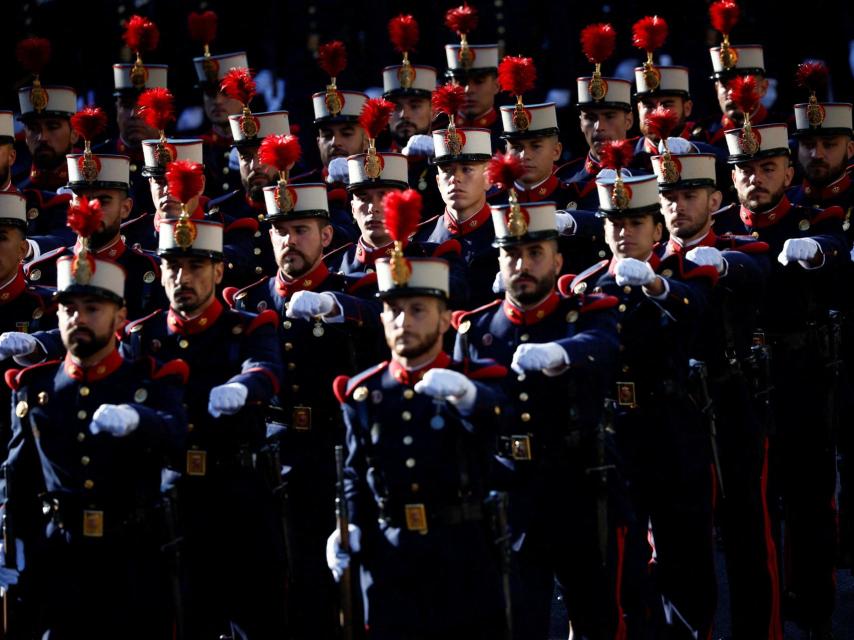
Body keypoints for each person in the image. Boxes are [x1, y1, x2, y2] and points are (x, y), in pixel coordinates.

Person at [123, 166, 287, 638]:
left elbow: (267, 369)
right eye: (174, 266)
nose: (183, 278)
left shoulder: (247, 324)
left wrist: (245, 387)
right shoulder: (145, 335)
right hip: (173, 490)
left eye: (196, 266)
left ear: (218, 270)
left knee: (254, 616)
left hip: (236, 486)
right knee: (185, 612)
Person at [452, 196, 623, 639]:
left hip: (577, 485)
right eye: (511, 254)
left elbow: (604, 347)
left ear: (558, 259)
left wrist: (562, 352)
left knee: (593, 615)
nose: (522, 265)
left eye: (534, 254)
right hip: (511, 495)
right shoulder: (478, 331)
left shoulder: (583, 314)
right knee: (518, 618)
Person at [1, 240, 187, 639]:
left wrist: (141, 419)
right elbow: (18, 477)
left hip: (131, 556)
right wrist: (9, 545)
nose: (78, 319)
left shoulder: (148, 380)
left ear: (120, 317)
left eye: (92, 309)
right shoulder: (37, 388)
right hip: (58, 558)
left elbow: (177, 440)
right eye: (69, 310)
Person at [227, 180, 381, 638]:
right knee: (269, 587)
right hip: (269, 459)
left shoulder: (353, 293)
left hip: (327, 456)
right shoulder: (251, 301)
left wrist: (342, 306)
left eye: (301, 230)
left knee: (327, 591)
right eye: (280, 231)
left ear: (326, 237)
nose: (289, 241)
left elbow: (379, 326)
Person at [327, 253, 510, 639]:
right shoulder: (365, 392)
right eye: (392, 310)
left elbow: (499, 419)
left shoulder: (470, 381)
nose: (403, 322)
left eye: (417, 310)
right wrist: (352, 524)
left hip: (459, 553)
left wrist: (468, 397)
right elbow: (354, 474)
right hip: (390, 554)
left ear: (445, 319)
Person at [714, 120, 848, 638]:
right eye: (744, 169)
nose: (756, 178)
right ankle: (763, 619)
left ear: (789, 171)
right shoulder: (723, 226)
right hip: (742, 387)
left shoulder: (814, 220)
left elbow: (835, 242)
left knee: (811, 501)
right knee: (752, 511)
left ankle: (815, 614)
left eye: (767, 167)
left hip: (802, 379)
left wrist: (821, 250)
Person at [652, 144, 781, 639]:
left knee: (750, 535)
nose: (679, 206)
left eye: (690, 194)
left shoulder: (738, 245)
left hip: (732, 405)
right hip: (672, 413)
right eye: (670, 197)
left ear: (714, 199)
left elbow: (755, 269)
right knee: (681, 545)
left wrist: (722, 264)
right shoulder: (649, 261)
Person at [587, 170, 720, 639]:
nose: (625, 234)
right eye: (616, 224)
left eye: (637, 224)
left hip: (671, 429)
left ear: (657, 231)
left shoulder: (679, 274)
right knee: (621, 565)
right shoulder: (586, 289)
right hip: (616, 436)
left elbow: (695, 306)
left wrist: (655, 286)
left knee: (685, 557)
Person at [422, 127, 498, 308]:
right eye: (447, 170)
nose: (455, 178)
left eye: (467, 169)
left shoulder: (509, 232)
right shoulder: (421, 238)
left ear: (489, 179)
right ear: (438, 182)